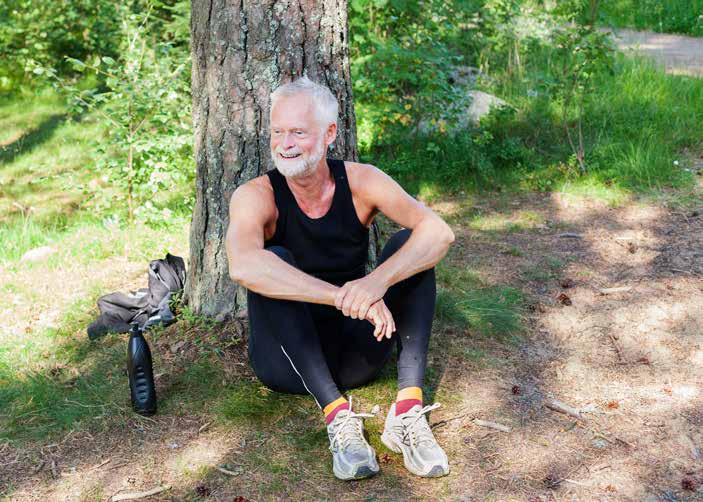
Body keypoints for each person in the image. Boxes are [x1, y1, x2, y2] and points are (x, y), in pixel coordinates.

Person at [225, 76, 455, 480]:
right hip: (286, 362)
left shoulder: (362, 181)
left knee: (410, 244)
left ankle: (406, 413)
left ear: (330, 132)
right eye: (277, 132)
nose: (285, 143)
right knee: (271, 262)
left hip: (356, 356)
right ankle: (337, 416)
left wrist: (375, 283)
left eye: (298, 131)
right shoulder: (255, 194)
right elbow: (243, 265)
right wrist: (339, 296)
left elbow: (440, 232)